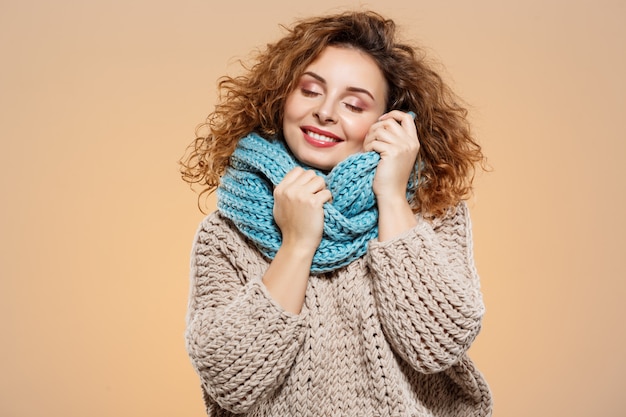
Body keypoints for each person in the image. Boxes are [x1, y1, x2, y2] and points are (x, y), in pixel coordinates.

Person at [180, 10, 492, 417]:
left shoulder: (429, 208)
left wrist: (392, 196)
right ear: (280, 97)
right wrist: (295, 244)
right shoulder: (226, 232)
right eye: (309, 91)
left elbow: (438, 344)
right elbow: (229, 380)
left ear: (388, 120)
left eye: (354, 104)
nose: (325, 112)